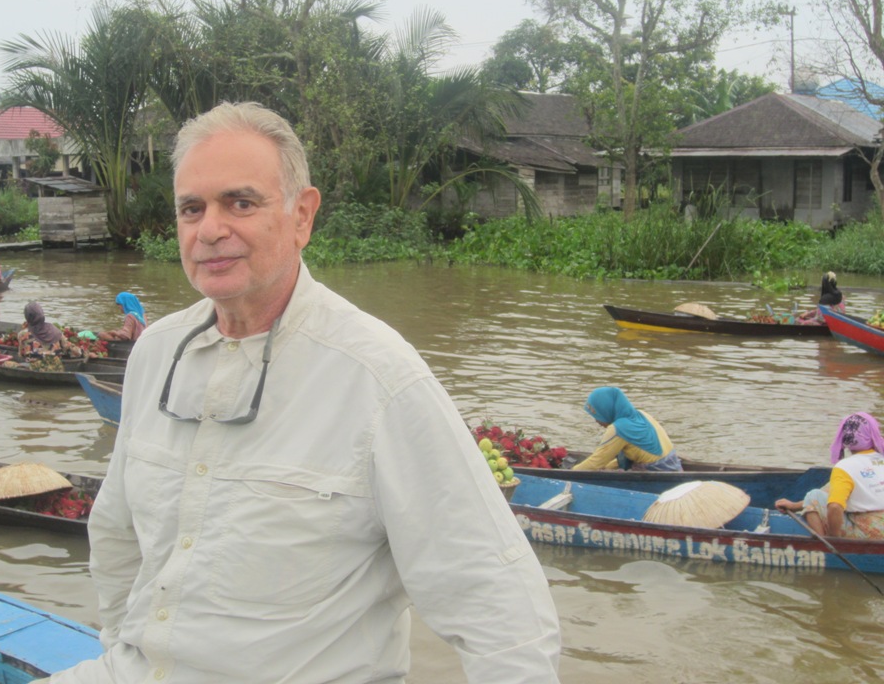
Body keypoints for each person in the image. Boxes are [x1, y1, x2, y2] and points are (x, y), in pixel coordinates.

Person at [41, 102, 561, 684]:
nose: (210, 229)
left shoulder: (378, 377)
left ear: (301, 216)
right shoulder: (157, 353)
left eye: (241, 203)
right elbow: (115, 536)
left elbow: (498, 601)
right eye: (192, 208)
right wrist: (122, 652)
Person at [775, 412, 884, 538]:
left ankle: (826, 548)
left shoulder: (845, 467)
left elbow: (834, 506)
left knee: (813, 495)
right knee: (827, 490)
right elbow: (829, 491)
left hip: (871, 532)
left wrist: (834, 537)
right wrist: (794, 506)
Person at [573, 386, 682, 472]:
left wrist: (569, 472)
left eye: (597, 416)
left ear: (606, 411)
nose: (596, 421)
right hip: (674, 466)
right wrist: (607, 466)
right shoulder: (642, 414)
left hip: (656, 471)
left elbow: (595, 463)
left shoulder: (618, 429)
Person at [17, 302, 86, 370]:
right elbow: (71, 349)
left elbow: (21, 355)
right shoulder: (55, 330)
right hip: (56, 369)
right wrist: (85, 353)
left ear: (27, 317)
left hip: (36, 370)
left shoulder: (22, 334)